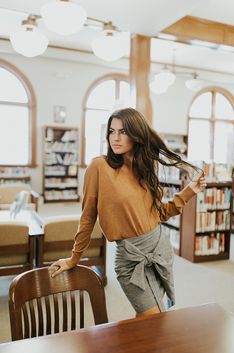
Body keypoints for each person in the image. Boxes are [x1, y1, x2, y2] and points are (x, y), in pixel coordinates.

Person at [50, 107, 207, 317]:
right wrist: (74, 258)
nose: (115, 138)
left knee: (152, 318)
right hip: (131, 258)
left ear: (136, 134)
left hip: (159, 249)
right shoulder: (99, 167)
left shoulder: (144, 167)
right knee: (152, 317)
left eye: (122, 132)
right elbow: (87, 217)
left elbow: (158, 214)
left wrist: (190, 192)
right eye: (111, 131)